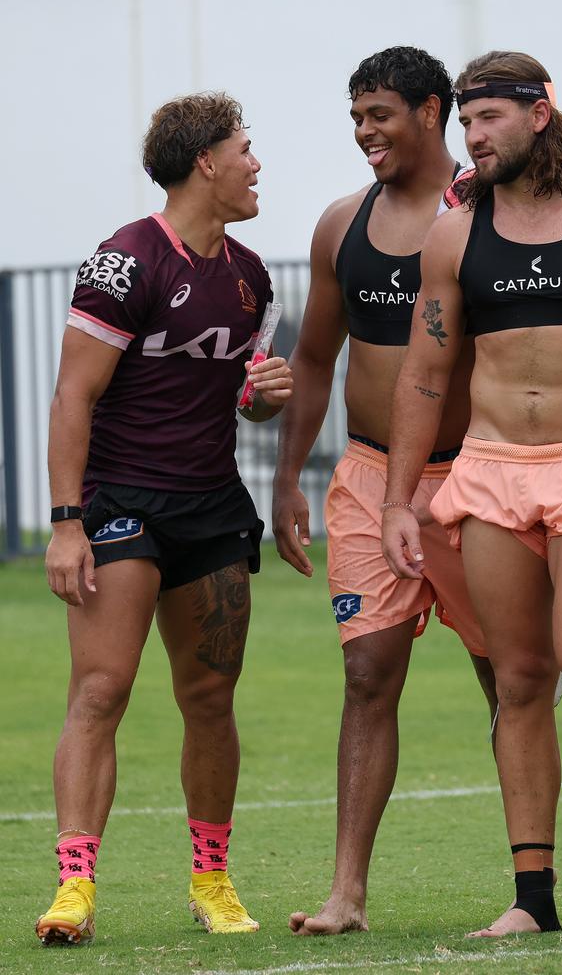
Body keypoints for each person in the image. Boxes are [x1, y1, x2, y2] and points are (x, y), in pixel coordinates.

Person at [382, 50, 562, 937]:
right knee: (522, 680)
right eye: (464, 123)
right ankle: (533, 898)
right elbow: (424, 375)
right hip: (491, 472)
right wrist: (395, 503)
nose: (472, 137)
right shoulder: (456, 233)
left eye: (487, 119)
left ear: (540, 114)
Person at [36, 91, 293, 945]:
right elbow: (74, 396)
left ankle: (212, 880)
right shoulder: (126, 260)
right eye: (246, 150)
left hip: (213, 508)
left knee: (211, 698)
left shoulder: (252, 277)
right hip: (121, 505)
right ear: (205, 162)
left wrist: (263, 400)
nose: (259, 165)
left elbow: (246, 407)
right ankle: (75, 887)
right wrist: (67, 521)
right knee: (101, 689)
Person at [272, 46, 500, 937]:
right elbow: (315, 360)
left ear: (433, 110)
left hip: (475, 477)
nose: (365, 132)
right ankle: (346, 894)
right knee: (367, 674)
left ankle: (538, 878)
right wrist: (290, 478)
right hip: (369, 477)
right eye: (357, 116)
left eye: (381, 115)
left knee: (512, 679)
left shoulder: (493, 213)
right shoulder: (342, 224)